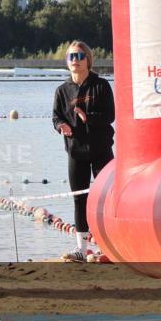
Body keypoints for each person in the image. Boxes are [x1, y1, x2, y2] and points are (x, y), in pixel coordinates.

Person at [52, 41, 115, 262]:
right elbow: (56, 116)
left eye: (79, 56)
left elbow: (110, 116)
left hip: (101, 150)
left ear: (88, 60)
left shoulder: (101, 86)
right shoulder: (62, 90)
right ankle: (81, 249)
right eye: (71, 56)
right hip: (76, 151)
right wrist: (61, 125)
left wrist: (88, 118)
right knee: (79, 199)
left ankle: (107, 248)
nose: (75, 60)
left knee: (105, 199)